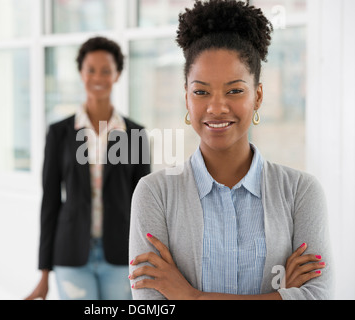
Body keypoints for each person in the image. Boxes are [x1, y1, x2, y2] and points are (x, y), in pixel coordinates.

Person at [128, 0, 333, 300]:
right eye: (201, 92)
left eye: (235, 90)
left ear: (258, 96)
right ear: (186, 98)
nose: (216, 107)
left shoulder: (300, 192)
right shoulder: (155, 194)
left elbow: (320, 296)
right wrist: (281, 296)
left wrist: (190, 296)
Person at [26, 36, 150, 300]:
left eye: (106, 70)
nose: (98, 77)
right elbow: (50, 201)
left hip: (121, 255)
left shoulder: (135, 134)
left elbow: (145, 205)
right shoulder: (59, 133)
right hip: (70, 254)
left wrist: (148, 260)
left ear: (117, 75)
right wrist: (44, 272)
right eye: (91, 69)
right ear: (81, 73)